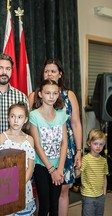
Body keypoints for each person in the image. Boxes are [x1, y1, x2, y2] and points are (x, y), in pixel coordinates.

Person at [28, 58, 82, 216]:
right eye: (46, 71)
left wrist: (79, 151)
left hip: (63, 153)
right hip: (41, 156)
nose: (49, 73)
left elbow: (76, 123)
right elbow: (29, 128)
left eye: (53, 71)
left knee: (62, 191)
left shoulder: (68, 96)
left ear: (60, 74)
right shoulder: (33, 98)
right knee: (42, 196)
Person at [29, 79, 68, 215]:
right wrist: (51, 170)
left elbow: (64, 143)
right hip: (42, 167)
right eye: (48, 93)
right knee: (44, 206)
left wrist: (60, 168)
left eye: (55, 93)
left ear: (58, 94)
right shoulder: (34, 115)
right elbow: (37, 145)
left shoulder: (61, 114)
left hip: (58, 167)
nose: (51, 96)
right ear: (40, 94)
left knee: (54, 207)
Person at [0, 102, 36, 216]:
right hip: (6, 185)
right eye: (13, 116)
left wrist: (21, 183)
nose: (16, 120)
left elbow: (30, 166)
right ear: (8, 118)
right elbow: (0, 165)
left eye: (20, 117)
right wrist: (10, 184)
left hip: (24, 185)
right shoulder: (3, 137)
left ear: (25, 119)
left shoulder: (29, 140)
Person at [0, 53, 29, 148]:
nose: (4, 72)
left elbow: (26, 128)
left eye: (8, 69)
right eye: (0, 68)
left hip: (15, 153)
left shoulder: (21, 97)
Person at [78, 129, 108, 216]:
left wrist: (104, 193)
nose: (98, 147)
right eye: (95, 144)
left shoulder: (103, 161)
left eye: (101, 144)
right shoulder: (85, 159)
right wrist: (77, 167)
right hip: (88, 196)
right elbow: (77, 174)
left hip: (100, 195)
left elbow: (104, 177)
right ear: (89, 143)